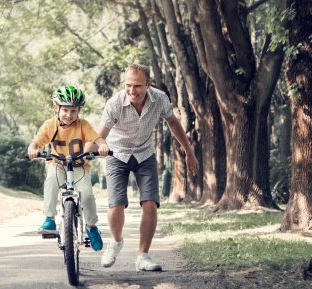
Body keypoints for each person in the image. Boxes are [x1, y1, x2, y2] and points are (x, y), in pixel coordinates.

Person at [97, 64, 199, 271]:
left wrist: (189, 151)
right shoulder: (115, 103)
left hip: (144, 154)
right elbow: (100, 136)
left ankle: (143, 256)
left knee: (150, 203)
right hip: (117, 154)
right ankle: (116, 242)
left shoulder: (159, 98)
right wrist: (98, 146)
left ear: (148, 84)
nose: (132, 91)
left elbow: (173, 123)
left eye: (137, 86)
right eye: (128, 85)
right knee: (116, 205)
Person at [27, 85, 109, 251]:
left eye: (73, 111)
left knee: (86, 195)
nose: (69, 115)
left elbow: (97, 138)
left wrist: (103, 146)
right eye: (65, 110)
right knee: (51, 181)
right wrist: (33, 149)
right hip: (57, 164)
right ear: (56, 107)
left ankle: (92, 227)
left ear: (79, 110)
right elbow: (37, 142)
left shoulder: (83, 125)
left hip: (79, 166)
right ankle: (49, 218)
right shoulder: (50, 125)